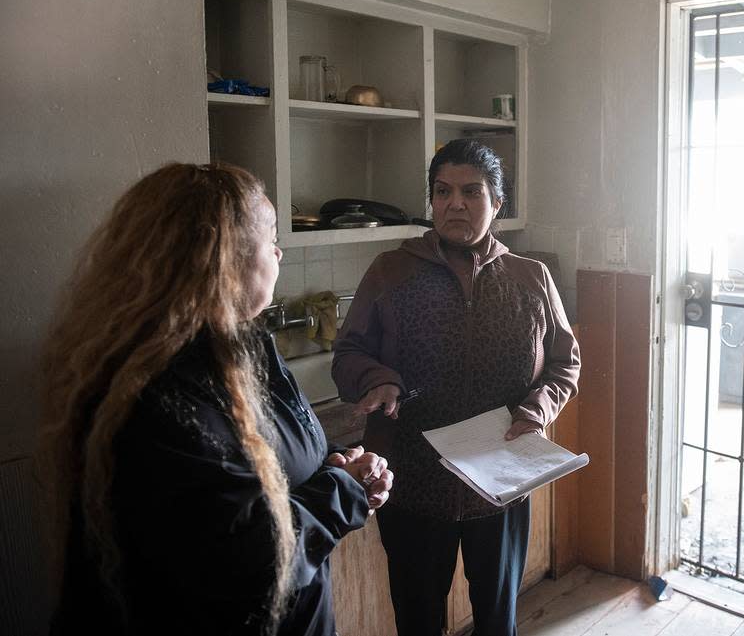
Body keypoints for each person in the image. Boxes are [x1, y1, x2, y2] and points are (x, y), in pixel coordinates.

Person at [39, 162, 394, 636]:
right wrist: (342, 491)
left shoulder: (245, 346)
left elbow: (284, 464)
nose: (279, 254)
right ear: (224, 258)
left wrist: (336, 468)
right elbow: (247, 563)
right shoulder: (155, 396)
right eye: (271, 240)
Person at [332, 138, 580, 636]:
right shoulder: (391, 271)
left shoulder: (531, 278)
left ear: (498, 203)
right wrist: (378, 380)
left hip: (503, 479)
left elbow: (564, 363)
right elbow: (349, 353)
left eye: (471, 191)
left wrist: (539, 408)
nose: (455, 203)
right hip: (414, 479)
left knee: (497, 615)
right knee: (418, 612)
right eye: (442, 192)